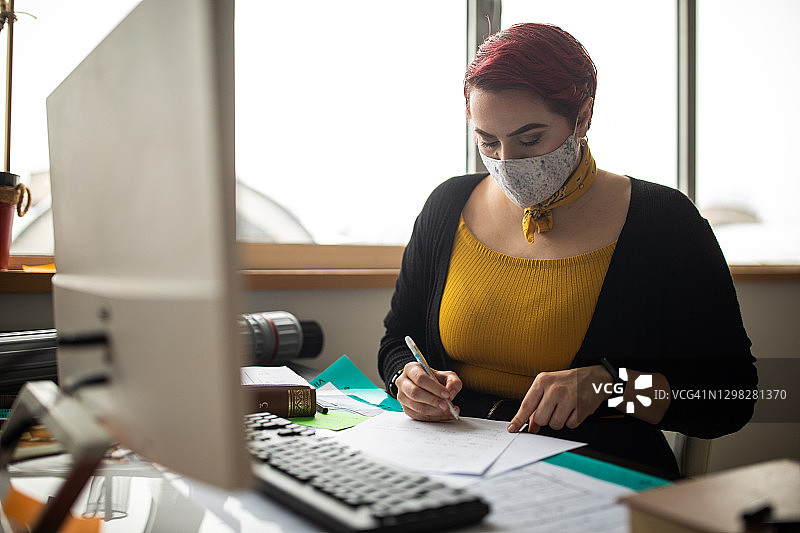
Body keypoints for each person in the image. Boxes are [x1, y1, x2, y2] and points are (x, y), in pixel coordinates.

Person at [378, 23, 757, 476]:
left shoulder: (663, 222)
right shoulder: (448, 206)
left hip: (591, 475)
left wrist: (609, 388)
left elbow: (733, 396)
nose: (507, 162)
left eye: (530, 139)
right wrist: (406, 378)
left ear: (583, 116)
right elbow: (396, 341)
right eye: (487, 142)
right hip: (449, 465)